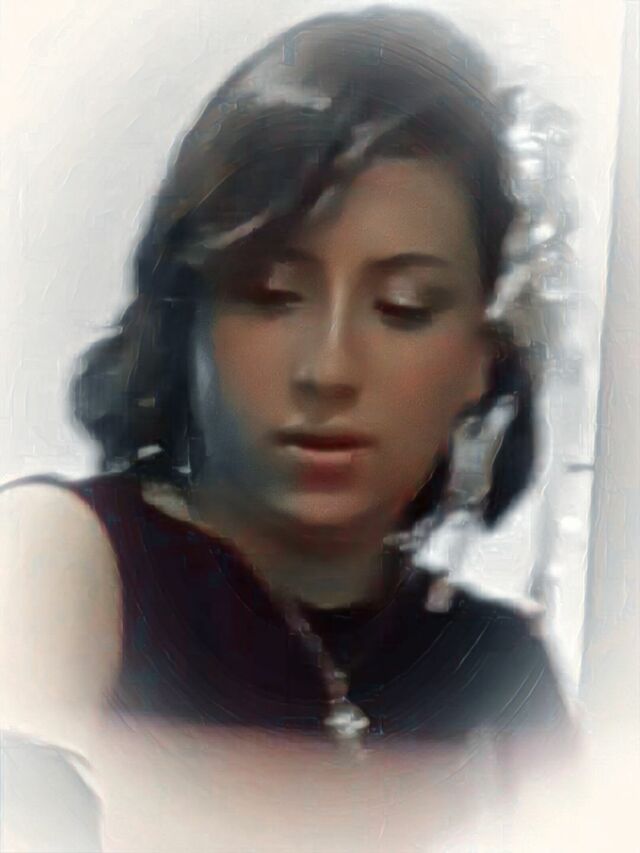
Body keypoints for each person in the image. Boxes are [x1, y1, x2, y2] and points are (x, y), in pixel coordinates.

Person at [0, 6, 575, 849]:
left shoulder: (501, 668)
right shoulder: (61, 561)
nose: (329, 368)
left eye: (403, 307)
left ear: (481, 358)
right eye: (272, 294)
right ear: (189, 314)